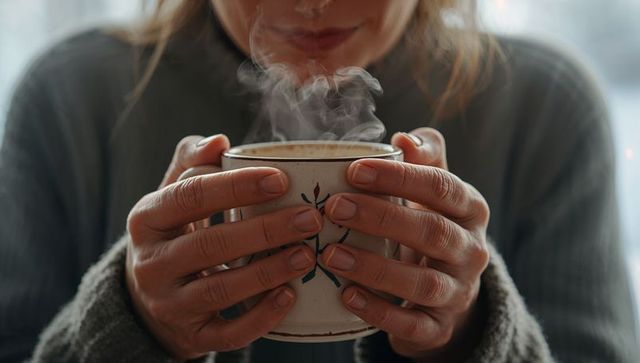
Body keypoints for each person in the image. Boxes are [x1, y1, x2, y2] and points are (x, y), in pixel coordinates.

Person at [0, 0, 637, 362]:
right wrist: (129, 321)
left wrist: (473, 333)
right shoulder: (68, 102)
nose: (310, 1)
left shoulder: (541, 108)